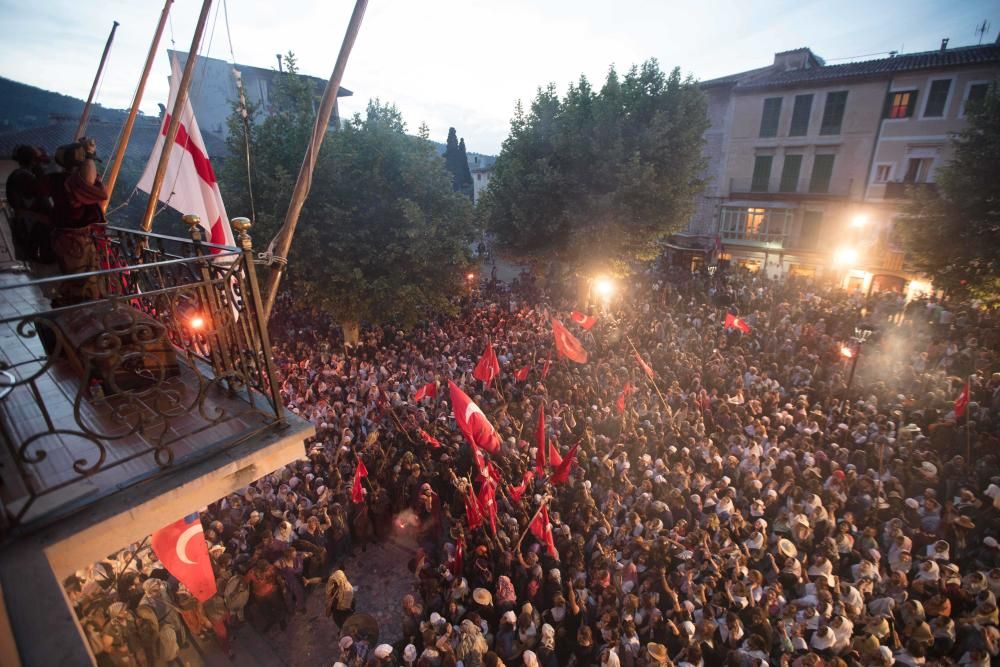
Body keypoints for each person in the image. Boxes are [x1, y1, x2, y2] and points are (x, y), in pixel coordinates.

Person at [48, 136, 108, 306]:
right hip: (76, 242)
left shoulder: (54, 179)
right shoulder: (72, 183)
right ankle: (82, 317)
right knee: (82, 283)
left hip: (65, 237)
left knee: (73, 280)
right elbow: (93, 189)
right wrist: (89, 157)